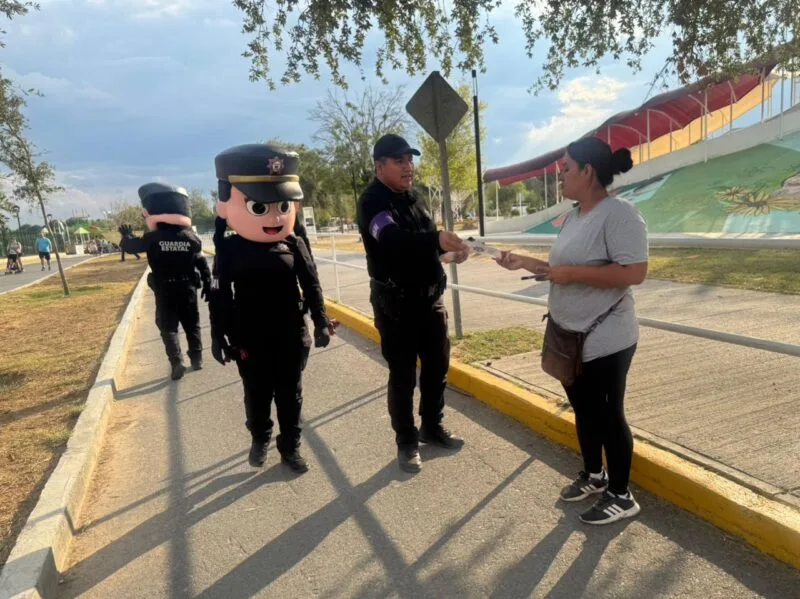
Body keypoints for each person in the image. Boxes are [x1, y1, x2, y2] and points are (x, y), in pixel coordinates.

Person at [496, 137, 648, 525]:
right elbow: (561, 267)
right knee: (583, 409)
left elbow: (635, 272)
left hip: (605, 337)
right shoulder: (576, 215)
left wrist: (572, 274)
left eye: (565, 168)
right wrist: (524, 262)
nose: (559, 175)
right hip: (569, 334)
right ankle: (595, 476)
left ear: (587, 171)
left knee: (609, 414)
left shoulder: (620, 215)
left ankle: (621, 493)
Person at [209, 143, 333, 474]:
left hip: (290, 333)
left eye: (282, 205)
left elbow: (311, 283)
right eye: (261, 207)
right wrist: (218, 336)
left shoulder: (293, 243)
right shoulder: (230, 249)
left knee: (290, 395)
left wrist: (320, 322)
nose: (276, 215)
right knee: (257, 394)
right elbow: (219, 295)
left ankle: (290, 446)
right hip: (248, 335)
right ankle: (260, 436)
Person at [356, 133, 471, 474]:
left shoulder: (415, 199)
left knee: (437, 368)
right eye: (400, 160)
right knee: (403, 375)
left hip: (430, 300)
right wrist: (435, 240)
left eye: (410, 160)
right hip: (397, 305)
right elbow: (393, 242)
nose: (409, 167)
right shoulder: (372, 202)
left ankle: (431, 427)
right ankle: (406, 442)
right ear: (380, 166)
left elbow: (424, 245)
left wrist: (448, 252)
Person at [119, 183, 211, 380]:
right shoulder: (191, 237)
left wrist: (126, 236)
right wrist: (208, 281)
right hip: (188, 288)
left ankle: (177, 362)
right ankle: (197, 358)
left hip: (165, 289)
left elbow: (132, 247)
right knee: (192, 324)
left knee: (168, 327)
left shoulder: (152, 238)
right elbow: (202, 262)